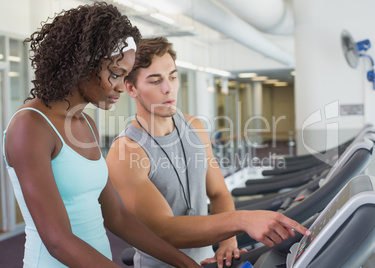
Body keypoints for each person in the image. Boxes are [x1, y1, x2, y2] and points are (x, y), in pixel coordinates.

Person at [2, 3, 202, 267]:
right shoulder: (30, 126)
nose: (121, 87)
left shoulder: (86, 123)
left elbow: (117, 216)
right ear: (81, 64)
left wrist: (186, 263)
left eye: (125, 76)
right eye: (115, 74)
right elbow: (57, 240)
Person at [106, 37, 310, 268]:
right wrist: (241, 220)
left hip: (208, 258)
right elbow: (165, 230)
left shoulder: (195, 128)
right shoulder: (126, 151)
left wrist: (228, 241)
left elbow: (218, 193)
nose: (168, 88)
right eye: (155, 81)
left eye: (172, 77)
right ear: (131, 88)